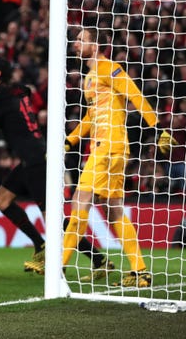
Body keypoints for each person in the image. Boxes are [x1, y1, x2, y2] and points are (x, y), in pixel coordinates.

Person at [0, 56, 112, 280]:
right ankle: (41, 246)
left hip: (35, 160)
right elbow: (27, 91)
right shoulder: (16, 90)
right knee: (1, 199)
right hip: (33, 157)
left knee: (52, 219)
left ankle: (98, 260)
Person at [63, 28, 177, 287]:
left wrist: (157, 127)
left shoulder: (108, 68)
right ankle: (140, 271)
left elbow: (134, 94)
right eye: (77, 39)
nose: (76, 43)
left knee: (79, 202)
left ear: (96, 45)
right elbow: (91, 117)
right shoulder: (90, 77)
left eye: (82, 40)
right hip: (110, 148)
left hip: (108, 148)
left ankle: (58, 267)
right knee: (113, 211)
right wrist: (70, 140)